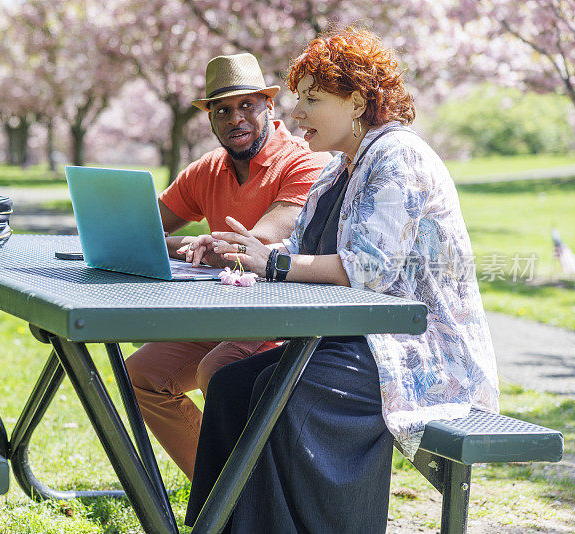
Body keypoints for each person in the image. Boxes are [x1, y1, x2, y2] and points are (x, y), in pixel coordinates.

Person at [184, 27, 500, 533]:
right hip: (349, 344)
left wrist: (274, 263)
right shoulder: (337, 171)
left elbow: (367, 270)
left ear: (356, 102)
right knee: (228, 386)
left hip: (412, 353)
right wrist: (240, 252)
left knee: (276, 393)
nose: (297, 113)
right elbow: (298, 251)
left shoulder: (399, 157)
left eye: (312, 99)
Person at [125, 52, 331, 480]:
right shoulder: (208, 170)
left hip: (282, 319)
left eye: (246, 106)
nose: (235, 118)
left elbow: (253, 246)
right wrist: (137, 230)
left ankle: (240, 495)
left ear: (269, 107)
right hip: (223, 313)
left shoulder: (304, 161)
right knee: (142, 374)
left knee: (217, 371)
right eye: (222, 110)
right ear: (211, 119)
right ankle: (222, 488)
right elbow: (140, 226)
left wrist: (184, 244)